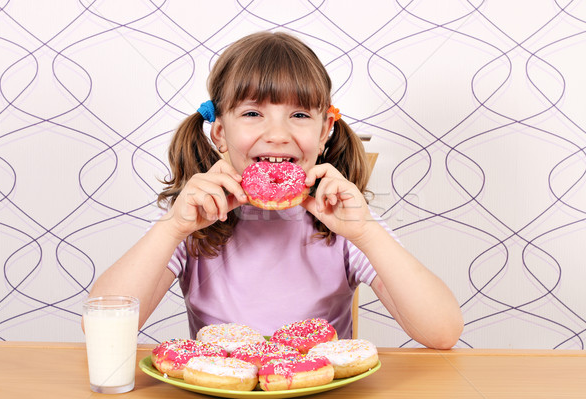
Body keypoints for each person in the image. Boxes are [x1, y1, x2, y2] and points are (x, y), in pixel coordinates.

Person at [88, 31, 463, 349]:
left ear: (323, 133)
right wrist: (171, 228)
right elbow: (102, 333)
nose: (278, 135)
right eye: (253, 114)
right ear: (220, 133)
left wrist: (367, 233)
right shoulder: (194, 220)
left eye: (299, 115)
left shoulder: (344, 222)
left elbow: (442, 332)